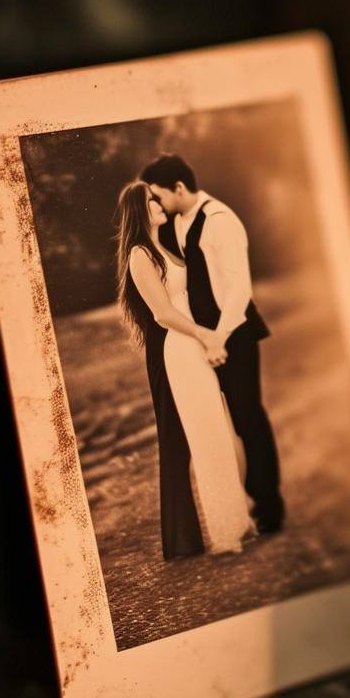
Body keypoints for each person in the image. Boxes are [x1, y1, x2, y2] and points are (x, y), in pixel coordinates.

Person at [140, 154, 286, 534]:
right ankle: (232, 506)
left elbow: (239, 289)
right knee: (214, 425)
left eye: (159, 196)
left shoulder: (221, 221)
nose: (157, 204)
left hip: (233, 334)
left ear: (179, 188)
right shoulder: (175, 224)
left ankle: (269, 505)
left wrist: (219, 337)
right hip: (198, 339)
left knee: (247, 417)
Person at [115, 181, 256, 558]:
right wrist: (203, 335)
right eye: (151, 200)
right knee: (206, 436)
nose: (159, 203)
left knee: (222, 430)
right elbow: (162, 314)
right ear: (139, 210)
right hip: (181, 349)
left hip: (198, 343)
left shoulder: (167, 245)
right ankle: (226, 535)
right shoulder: (140, 254)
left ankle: (239, 519)